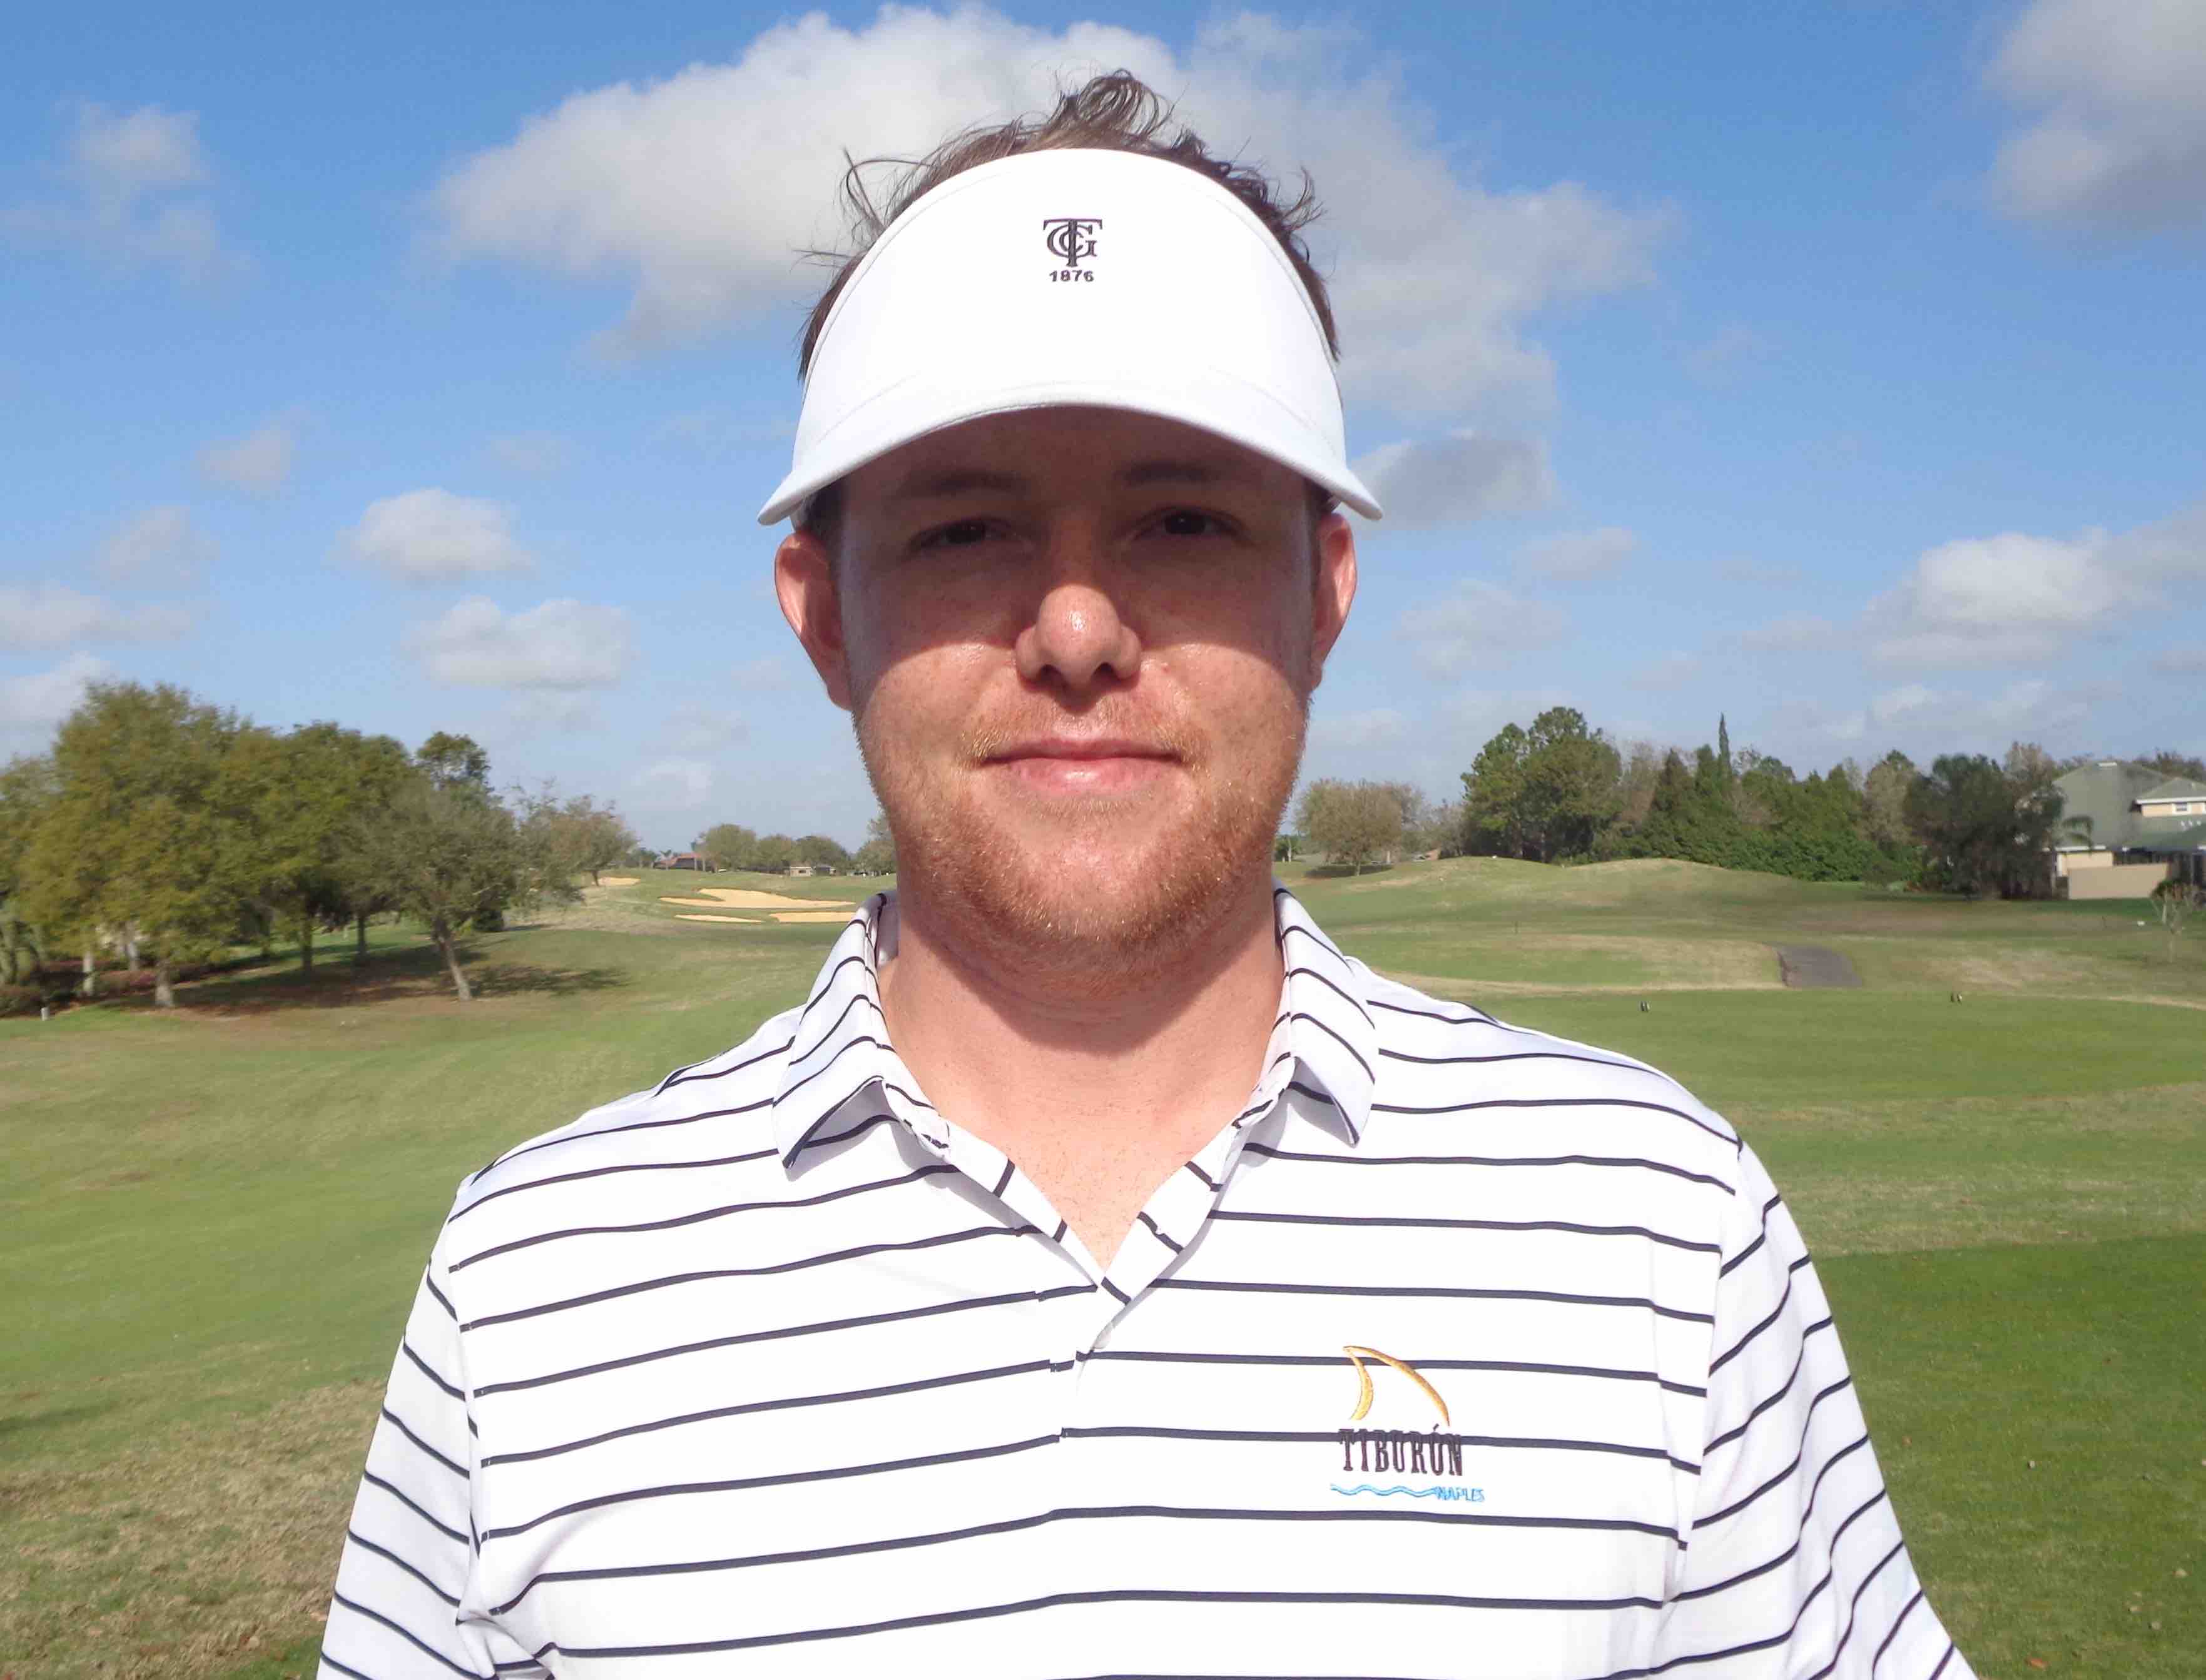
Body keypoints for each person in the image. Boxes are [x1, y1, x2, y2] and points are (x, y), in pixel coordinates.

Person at [320, 74, 1971, 1679]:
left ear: (1323, 594)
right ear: (823, 617)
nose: (1078, 630)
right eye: (963, 530)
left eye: (1183, 521)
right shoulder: (535, 1284)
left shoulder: (1656, 1224)